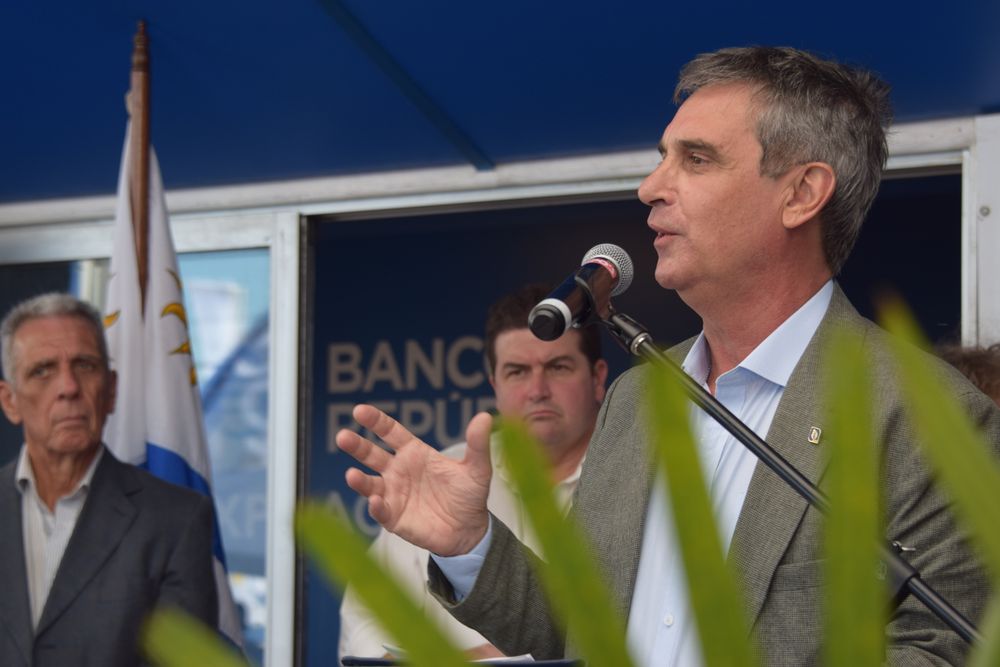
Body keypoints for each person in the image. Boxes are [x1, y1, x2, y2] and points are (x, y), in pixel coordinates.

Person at [335, 46, 1000, 665]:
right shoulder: (638, 397)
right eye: (662, 157)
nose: (651, 186)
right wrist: (473, 543)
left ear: (802, 193)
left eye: (697, 159)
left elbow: (945, 650)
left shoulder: (933, 416)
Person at [338, 283, 608, 659]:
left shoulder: (635, 475)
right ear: (495, 385)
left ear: (598, 379)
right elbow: (366, 623)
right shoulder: (441, 476)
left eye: (557, 367)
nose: (537, 390)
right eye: (517, 372)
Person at [0, 293, 217, 667]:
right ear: (10, 401)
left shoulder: (175, 520)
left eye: (84, 366)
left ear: (112, 390)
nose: (68, 387)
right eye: (43, 370)